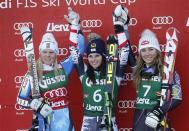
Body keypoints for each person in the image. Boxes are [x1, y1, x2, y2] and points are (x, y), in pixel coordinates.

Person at [64, 5, 135, 131]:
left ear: (103, 56)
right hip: (88, 123)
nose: (93, 59)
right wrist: (74, 26)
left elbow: (124, 51)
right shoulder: (84, 72)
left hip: (108, 121)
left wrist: (118, 27)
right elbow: (73, 50)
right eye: (90, 56)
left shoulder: (114, 72)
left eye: (97, 55)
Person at [16, 27, 85, 130]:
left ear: (56, 52)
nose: (48, 55)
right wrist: (37, 105)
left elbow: (81, 47)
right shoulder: (32, 73)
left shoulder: (63, 67)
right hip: (45, 120)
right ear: (40, 52)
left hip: (65, 121)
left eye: (51, 52)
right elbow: (20, 100)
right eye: (45, 51)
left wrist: (75, 25)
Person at [132, 29, 182, 131]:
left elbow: (177, 97)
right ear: (140, 52)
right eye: (143, 50)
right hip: (139, 118)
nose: (147, 53)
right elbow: (125, 50)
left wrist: (159, 110)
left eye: (151, 49)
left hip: (158, 117)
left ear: (157, 50)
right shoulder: (137, 69)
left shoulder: (168, 71)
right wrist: (120, 27)